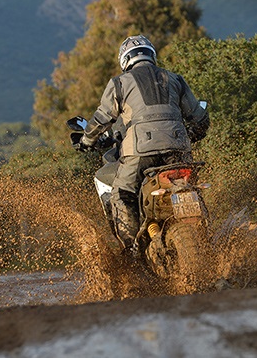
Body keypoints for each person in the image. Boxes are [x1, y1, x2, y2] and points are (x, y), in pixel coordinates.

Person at [76, 34, 209, 251]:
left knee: (122, 193)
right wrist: (190, 136)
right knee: (191, 187)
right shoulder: (175, 79)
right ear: (152, 56)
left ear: (125, 60)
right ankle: (209, 241)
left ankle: (132, 251)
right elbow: (200, 118)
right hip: (178, 151)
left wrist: (87, 140)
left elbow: (102, 118)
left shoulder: (119, 83)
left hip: (140, 153)